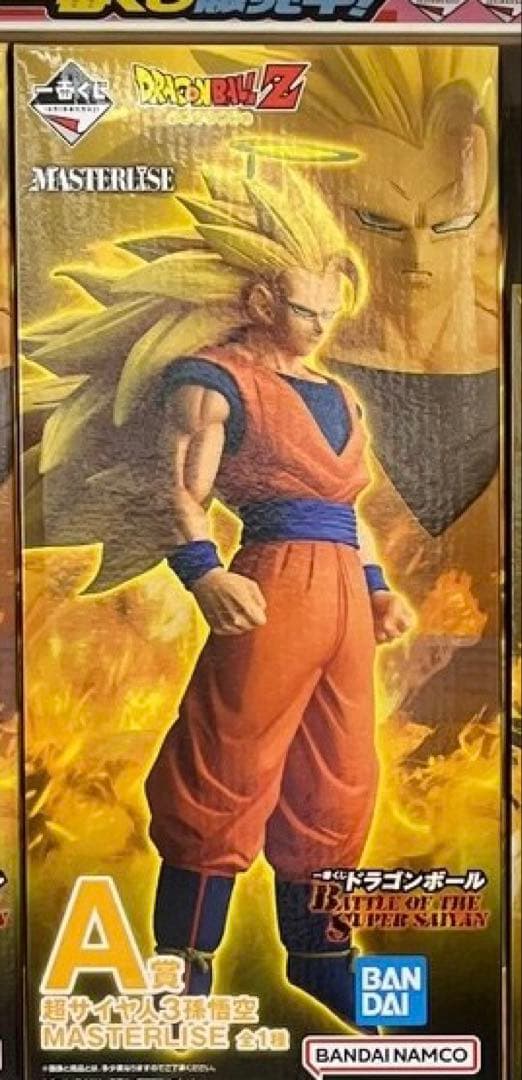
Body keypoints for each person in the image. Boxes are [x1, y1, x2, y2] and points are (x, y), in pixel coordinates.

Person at [21, 169, 412, 1024]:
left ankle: (322, 955)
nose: (320, 327)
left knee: (341, 776)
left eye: (330, 313)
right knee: (226, 764)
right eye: (305, 310)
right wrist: (204, 573)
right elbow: (177, 491)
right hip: (270, 584)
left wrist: (379, 588)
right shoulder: (211, 378)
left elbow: (348, 507)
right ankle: (184, 964)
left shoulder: (338, 394)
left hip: (343, 594)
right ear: (262, 299)